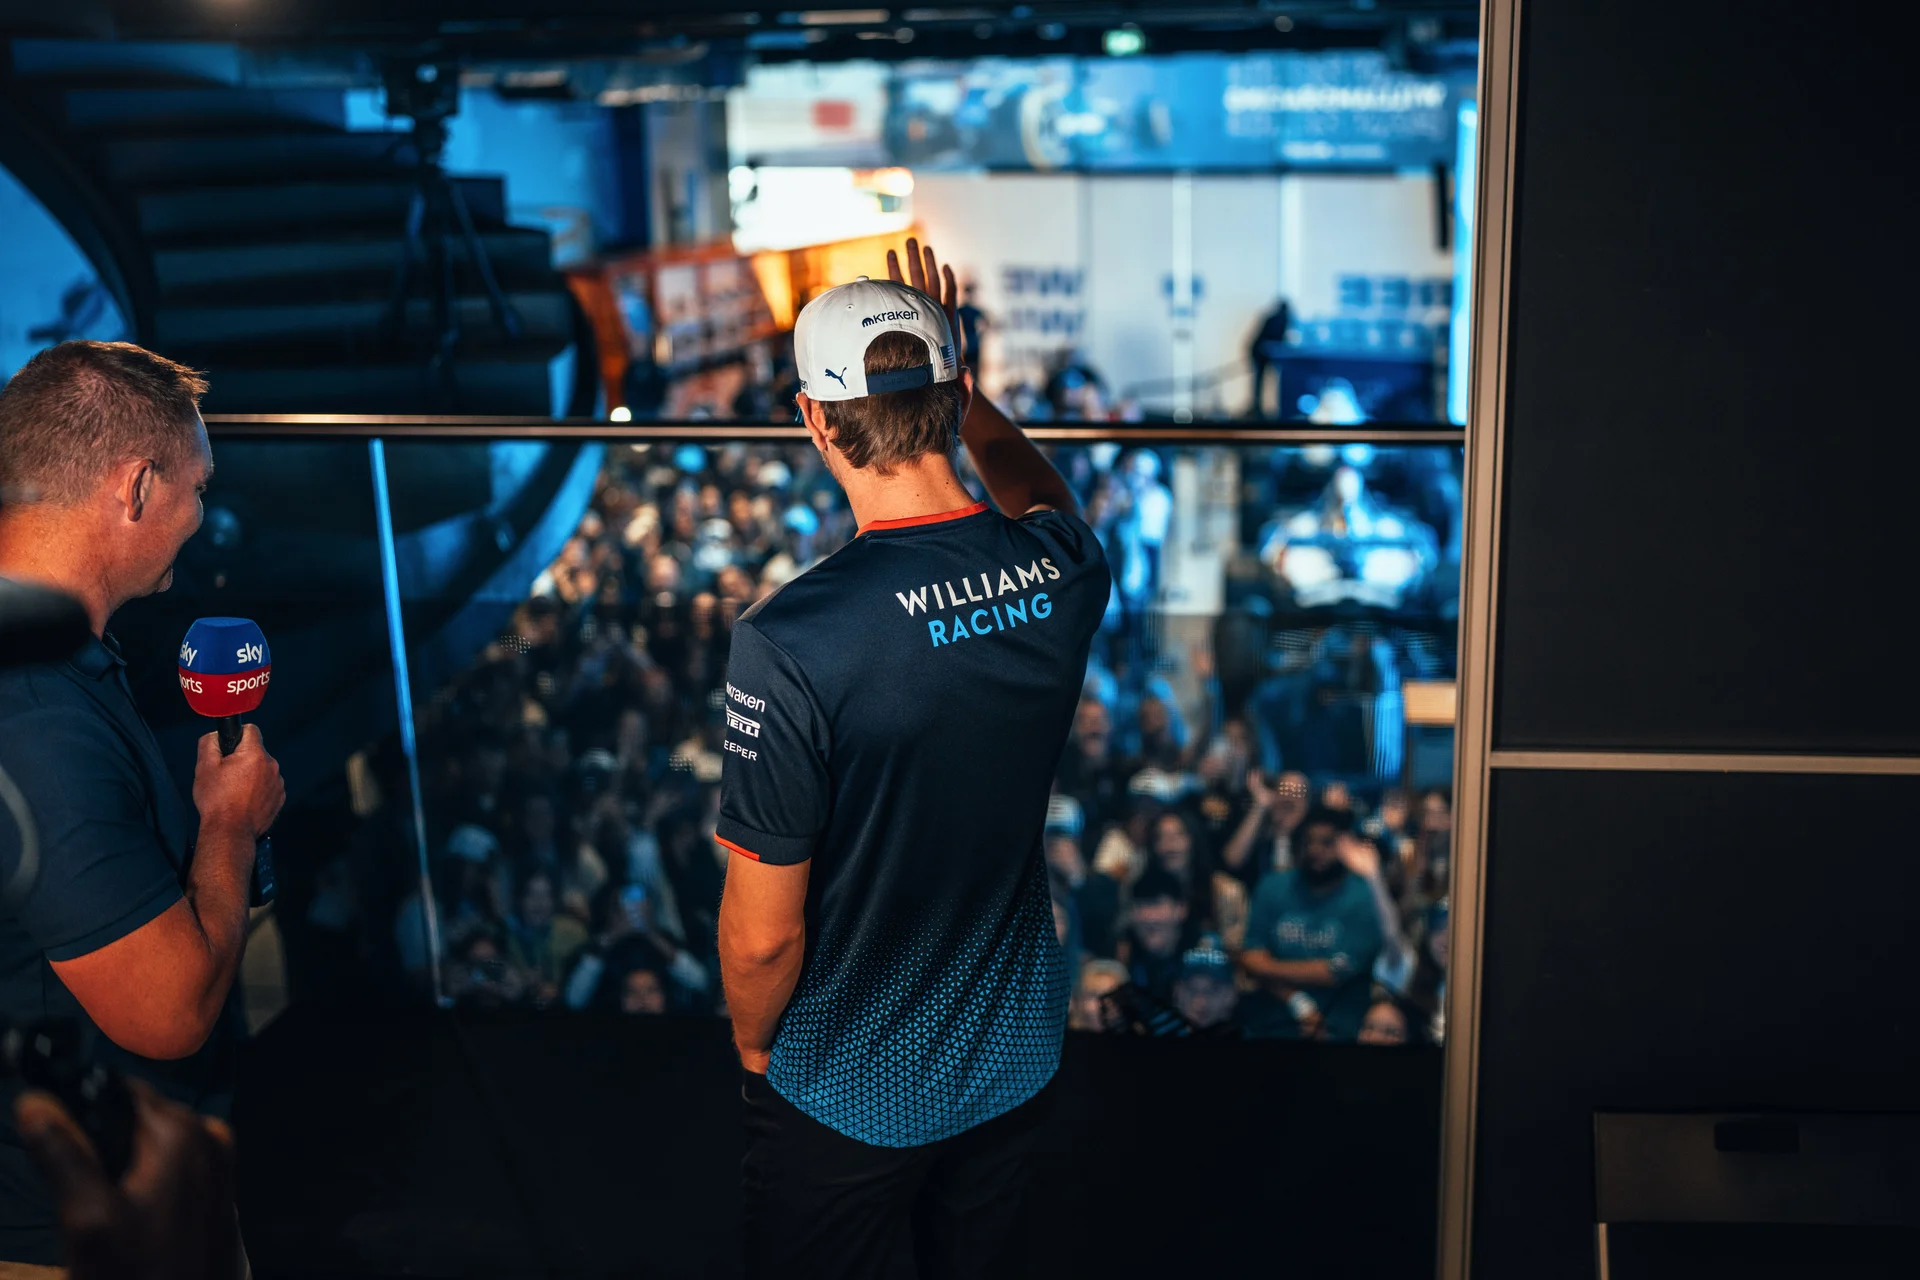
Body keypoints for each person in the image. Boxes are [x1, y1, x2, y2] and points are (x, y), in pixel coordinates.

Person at [716, 239, 1108, 1280]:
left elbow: (764, 934)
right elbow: (1043, 494)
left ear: (815, 420)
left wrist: (757, 1052)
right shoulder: (1063, 570)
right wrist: (969, 394)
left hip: (849, 1079)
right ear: (959, 391)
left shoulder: (789, 640)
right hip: (1016, 1047)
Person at [0, 341, 284, 1272]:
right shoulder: (37, 713)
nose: (201, 515)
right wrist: (230, 820)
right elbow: (167, 1011)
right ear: (135, 488)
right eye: (196, 488)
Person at [1235, 805, 1384, 1041]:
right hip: (1273, 1023)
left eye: (1327, 843)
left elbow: (1336, 971)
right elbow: (1251, 957)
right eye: (1309, 842)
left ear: (1345, 847)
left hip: (1341, 1026)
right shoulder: (1272, 886)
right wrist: (1297, 1000)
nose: (1315, 850)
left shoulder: (1364, 896)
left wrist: (1267, 968)